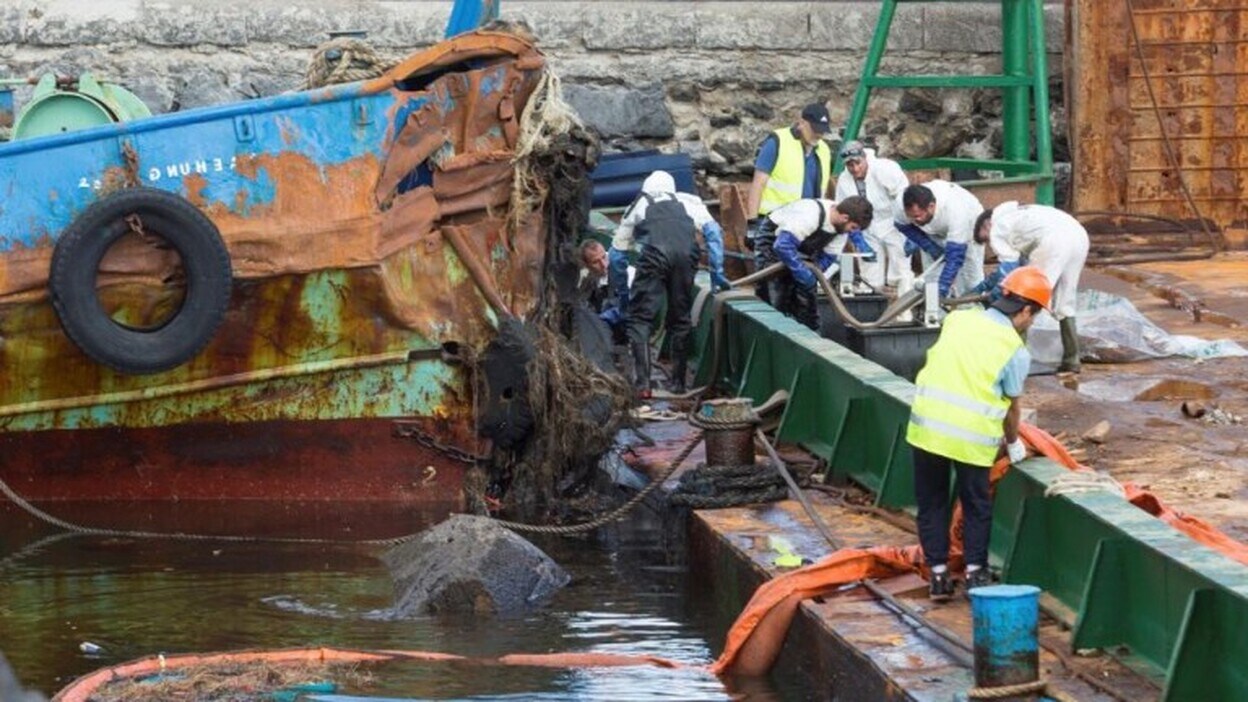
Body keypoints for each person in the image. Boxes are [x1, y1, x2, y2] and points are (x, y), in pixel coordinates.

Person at [906, 266, 1051, 601]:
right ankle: (975, 573)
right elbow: (1012, 408)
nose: (1031, 323)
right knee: (976, 504)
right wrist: (1014, 443)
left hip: (926, 428)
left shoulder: (958, 319)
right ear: (1026, 310)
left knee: (932, 502)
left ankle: (938, 576)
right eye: (1034, 316)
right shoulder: (1014, 350)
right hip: (971, 438)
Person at [611, 170, 728, 396]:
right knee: (680, 319)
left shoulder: (638, 205)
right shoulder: (690, 202)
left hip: (654, 256)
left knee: (640, 319)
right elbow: (714, 235)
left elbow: (617, 256)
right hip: (686, 256)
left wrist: (622, 294)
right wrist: (717, 275)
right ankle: (678, 384)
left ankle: (643, 385)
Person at [973, 202, 1090, 374]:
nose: (990, 245)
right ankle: (1072, 359)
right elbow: (1012, 265)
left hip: (1053, 242)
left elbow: (1008, 270)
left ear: (987, 224)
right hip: (1078, 236)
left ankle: (1016, 360)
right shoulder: (1018, 214)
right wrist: (983, 286)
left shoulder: (997, 227)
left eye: (986, 239)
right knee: (1066, 300)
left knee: (1026, 296)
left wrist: (992, 300)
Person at [744, 103, 836, 304]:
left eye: (822, 131)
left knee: (799, 289)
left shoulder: (824, 150)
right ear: (802, 123)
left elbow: (823, 189)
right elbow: (758, 183)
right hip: (773, 225)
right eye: (815, 130)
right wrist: (752, 224)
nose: (818, 135)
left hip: (805, 228)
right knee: (770, 286)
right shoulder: (778, 142)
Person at [764, 196, 874, 330]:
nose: (851, 233)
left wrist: (813, 274)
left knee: (807, 301)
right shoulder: (810, 214)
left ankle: (810, 336)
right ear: (845, 217)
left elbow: (828, 257)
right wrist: (801, 272)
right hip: (773, 241)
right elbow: (782, 245)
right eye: (853, 227)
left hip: (801, 248)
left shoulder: (840, 231)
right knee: (775, 297)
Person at [833, 140, 912, 291]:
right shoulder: (844, 180)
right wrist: (857, 238)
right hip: (866, 227)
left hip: (893, 222)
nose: (855, 169)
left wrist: (910, 230)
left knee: (901, 271)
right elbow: (844, 211)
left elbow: (903, 199)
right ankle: (872, 309)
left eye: (858, 163)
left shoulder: (885, 169)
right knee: (869, 275)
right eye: (850, 165)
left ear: (864, 158)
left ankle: (904, 312)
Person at [896, 181, 986, 299]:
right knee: (931, 279)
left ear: (931, 206)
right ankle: (937, 313)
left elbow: (955, 256)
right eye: (911, 217)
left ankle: (972, 308)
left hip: (969, 227)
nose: (915, 220)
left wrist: (944, 286)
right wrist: (928, 245)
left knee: (969, 276)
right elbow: (902, 225)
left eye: (918, 216)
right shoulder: (900, 205)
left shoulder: (956, 210)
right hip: (931, 230)